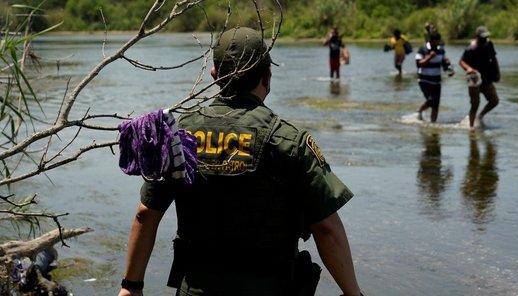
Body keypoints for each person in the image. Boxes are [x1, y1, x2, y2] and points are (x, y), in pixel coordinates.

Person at [118, 27, 362, 296]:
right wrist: (354, 293)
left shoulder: (179, 135)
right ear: (268, 75)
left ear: (215, 76)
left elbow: (145, 214)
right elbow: (326, 228)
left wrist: (131, 287)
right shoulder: (288, 141)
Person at [459, 26, 501, 128]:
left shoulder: (489, 44)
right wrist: (468, 68)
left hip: (487, 77)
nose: (484, 40)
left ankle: (480, 116)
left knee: (494, 100)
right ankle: (471, 128)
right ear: (477, 37)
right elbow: (461, 62)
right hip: (474, 77)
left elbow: (493, 58)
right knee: (475, 104)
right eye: (482, 38)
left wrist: (498, 72)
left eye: (485, 37)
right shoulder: (470, 48)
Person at [415, 31, 454, 123]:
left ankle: (433, 124)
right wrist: (430, 57)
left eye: (438, 41)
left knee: (436, 104)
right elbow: (419, 64)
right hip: (424, 80)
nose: (436, 43)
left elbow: (444, 65)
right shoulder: (423, 49)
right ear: (430, 41)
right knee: (431, 100)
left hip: (436, 81)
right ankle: (420, 110)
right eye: (435, 41)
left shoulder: (441, 50)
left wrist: (449, 69)